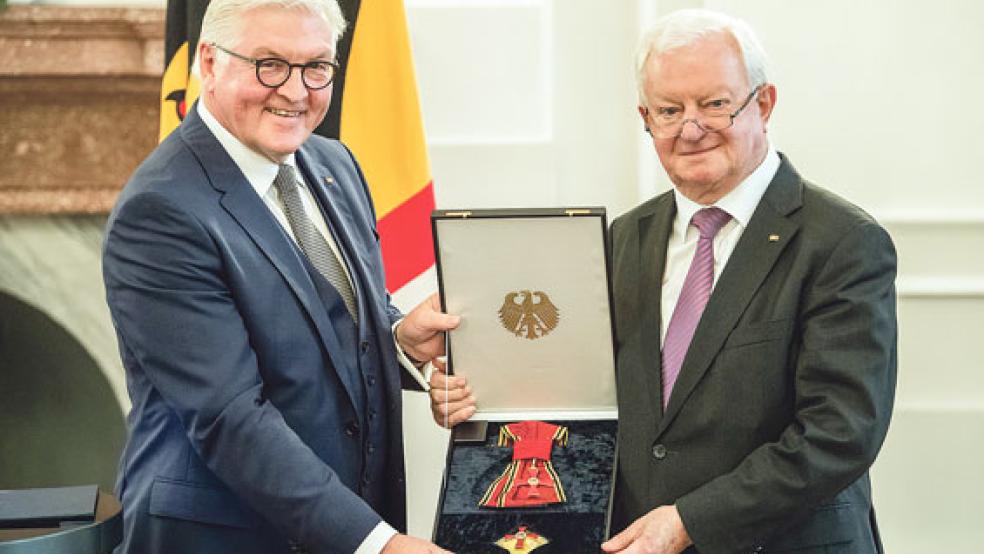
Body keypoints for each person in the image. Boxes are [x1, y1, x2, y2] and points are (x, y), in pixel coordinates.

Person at [433, 8, 897, 554]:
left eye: (715, 104)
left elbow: (838, 434)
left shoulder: (842, 242)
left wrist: (689, 522)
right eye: (669, 110)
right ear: (645, 118)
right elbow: (577, 396)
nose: (690, 128)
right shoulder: (621, 241)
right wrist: (479, 402)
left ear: (764, 104)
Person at [102, 0, 458, 552]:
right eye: (269, 64)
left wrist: (398, 339)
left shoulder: (335, 164)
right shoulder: (161, 211)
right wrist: (378, 543)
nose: (295, 91)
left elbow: (328, 317)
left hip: (348, 524)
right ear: (209, 63)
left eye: (316, 67)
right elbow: (229, 417)